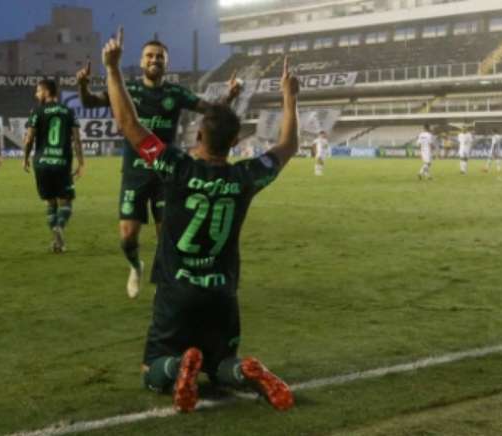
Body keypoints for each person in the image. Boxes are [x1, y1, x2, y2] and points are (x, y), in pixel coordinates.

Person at [104, 28, 297, 413]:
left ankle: (178, 367)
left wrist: (112, 69)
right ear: (233, 143)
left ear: (198, 136)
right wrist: (289, 97)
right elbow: (287, 145)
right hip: (222, 293)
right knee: (221, 363)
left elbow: (129, 124)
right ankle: (242, 370)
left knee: (151, 369)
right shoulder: (244, 177)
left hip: (177, 291)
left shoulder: (176, 166)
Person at [77, 38, 243, 298]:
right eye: (150, 56)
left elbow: (211, 111)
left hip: (168, 174)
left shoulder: (175, 93)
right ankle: (135, 265)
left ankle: (164, 282)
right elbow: (91, 103)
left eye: (159, 57)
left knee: (167, 234)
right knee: (127, 236)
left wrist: (230, 95)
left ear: (167, 63)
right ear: (142, 61)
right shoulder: (126, 89)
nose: (154, 60)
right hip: (135, 173)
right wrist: (82, 85)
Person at [23, 79, 85, 252]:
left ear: (46, 92)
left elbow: (29, 139)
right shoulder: (68, 111)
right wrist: (81, 163)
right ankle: (59, 228)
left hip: (42, 163)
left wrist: (25, 158)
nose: (36, 95)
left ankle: (58, 242)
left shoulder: (37, 111)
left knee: (51, 203)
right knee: (66, 202)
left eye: (38, 91)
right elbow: (77, 140)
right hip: (62, 163)